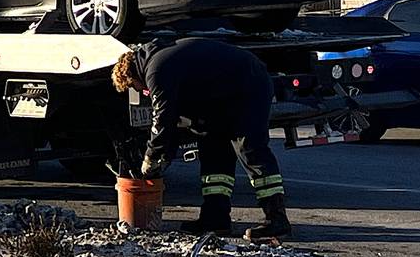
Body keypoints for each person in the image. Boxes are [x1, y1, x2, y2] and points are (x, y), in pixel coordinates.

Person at [112, 38, 291, 241]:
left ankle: (277, 220)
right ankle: (215, 219)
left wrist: (151, 157)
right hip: (222, 96)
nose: (140, 91)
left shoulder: (156, 70)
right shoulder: (160, 60)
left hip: (247, 86)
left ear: (132, 75)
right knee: (214, 151)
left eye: (135, 87)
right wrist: (166, 154)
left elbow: (163, 118)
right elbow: (175, 119)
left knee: (250, 149)